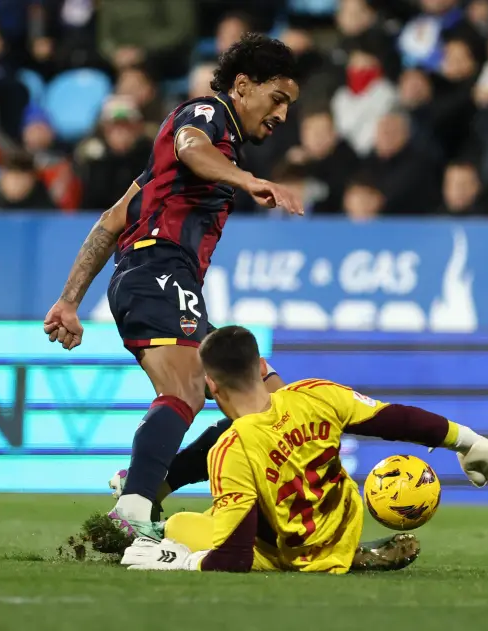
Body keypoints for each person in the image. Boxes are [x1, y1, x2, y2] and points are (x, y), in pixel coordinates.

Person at [42, 34, 304, 542]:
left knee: (270, 405)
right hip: (155, 272)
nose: (282, 115)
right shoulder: (206, 115)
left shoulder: (164, 171)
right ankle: (134, 514)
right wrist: (247, 181)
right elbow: (192, 147)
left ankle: (150, 485)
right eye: (278, 99)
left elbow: (111, 220)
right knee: (184, 387)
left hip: (170, 280)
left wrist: (70, 300)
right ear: (243, 87)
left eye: (289, 105)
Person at [120, 325, 488, 573]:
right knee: (220, 511)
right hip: (342, 525)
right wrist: (468, 441)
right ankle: (350, 552)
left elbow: (234, 559)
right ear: (261, 367)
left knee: (177, 528)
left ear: (211, 387)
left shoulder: (231, 449)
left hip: (291, 553)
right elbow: (397, 419)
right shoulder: (316, 395)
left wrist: (180, 561)